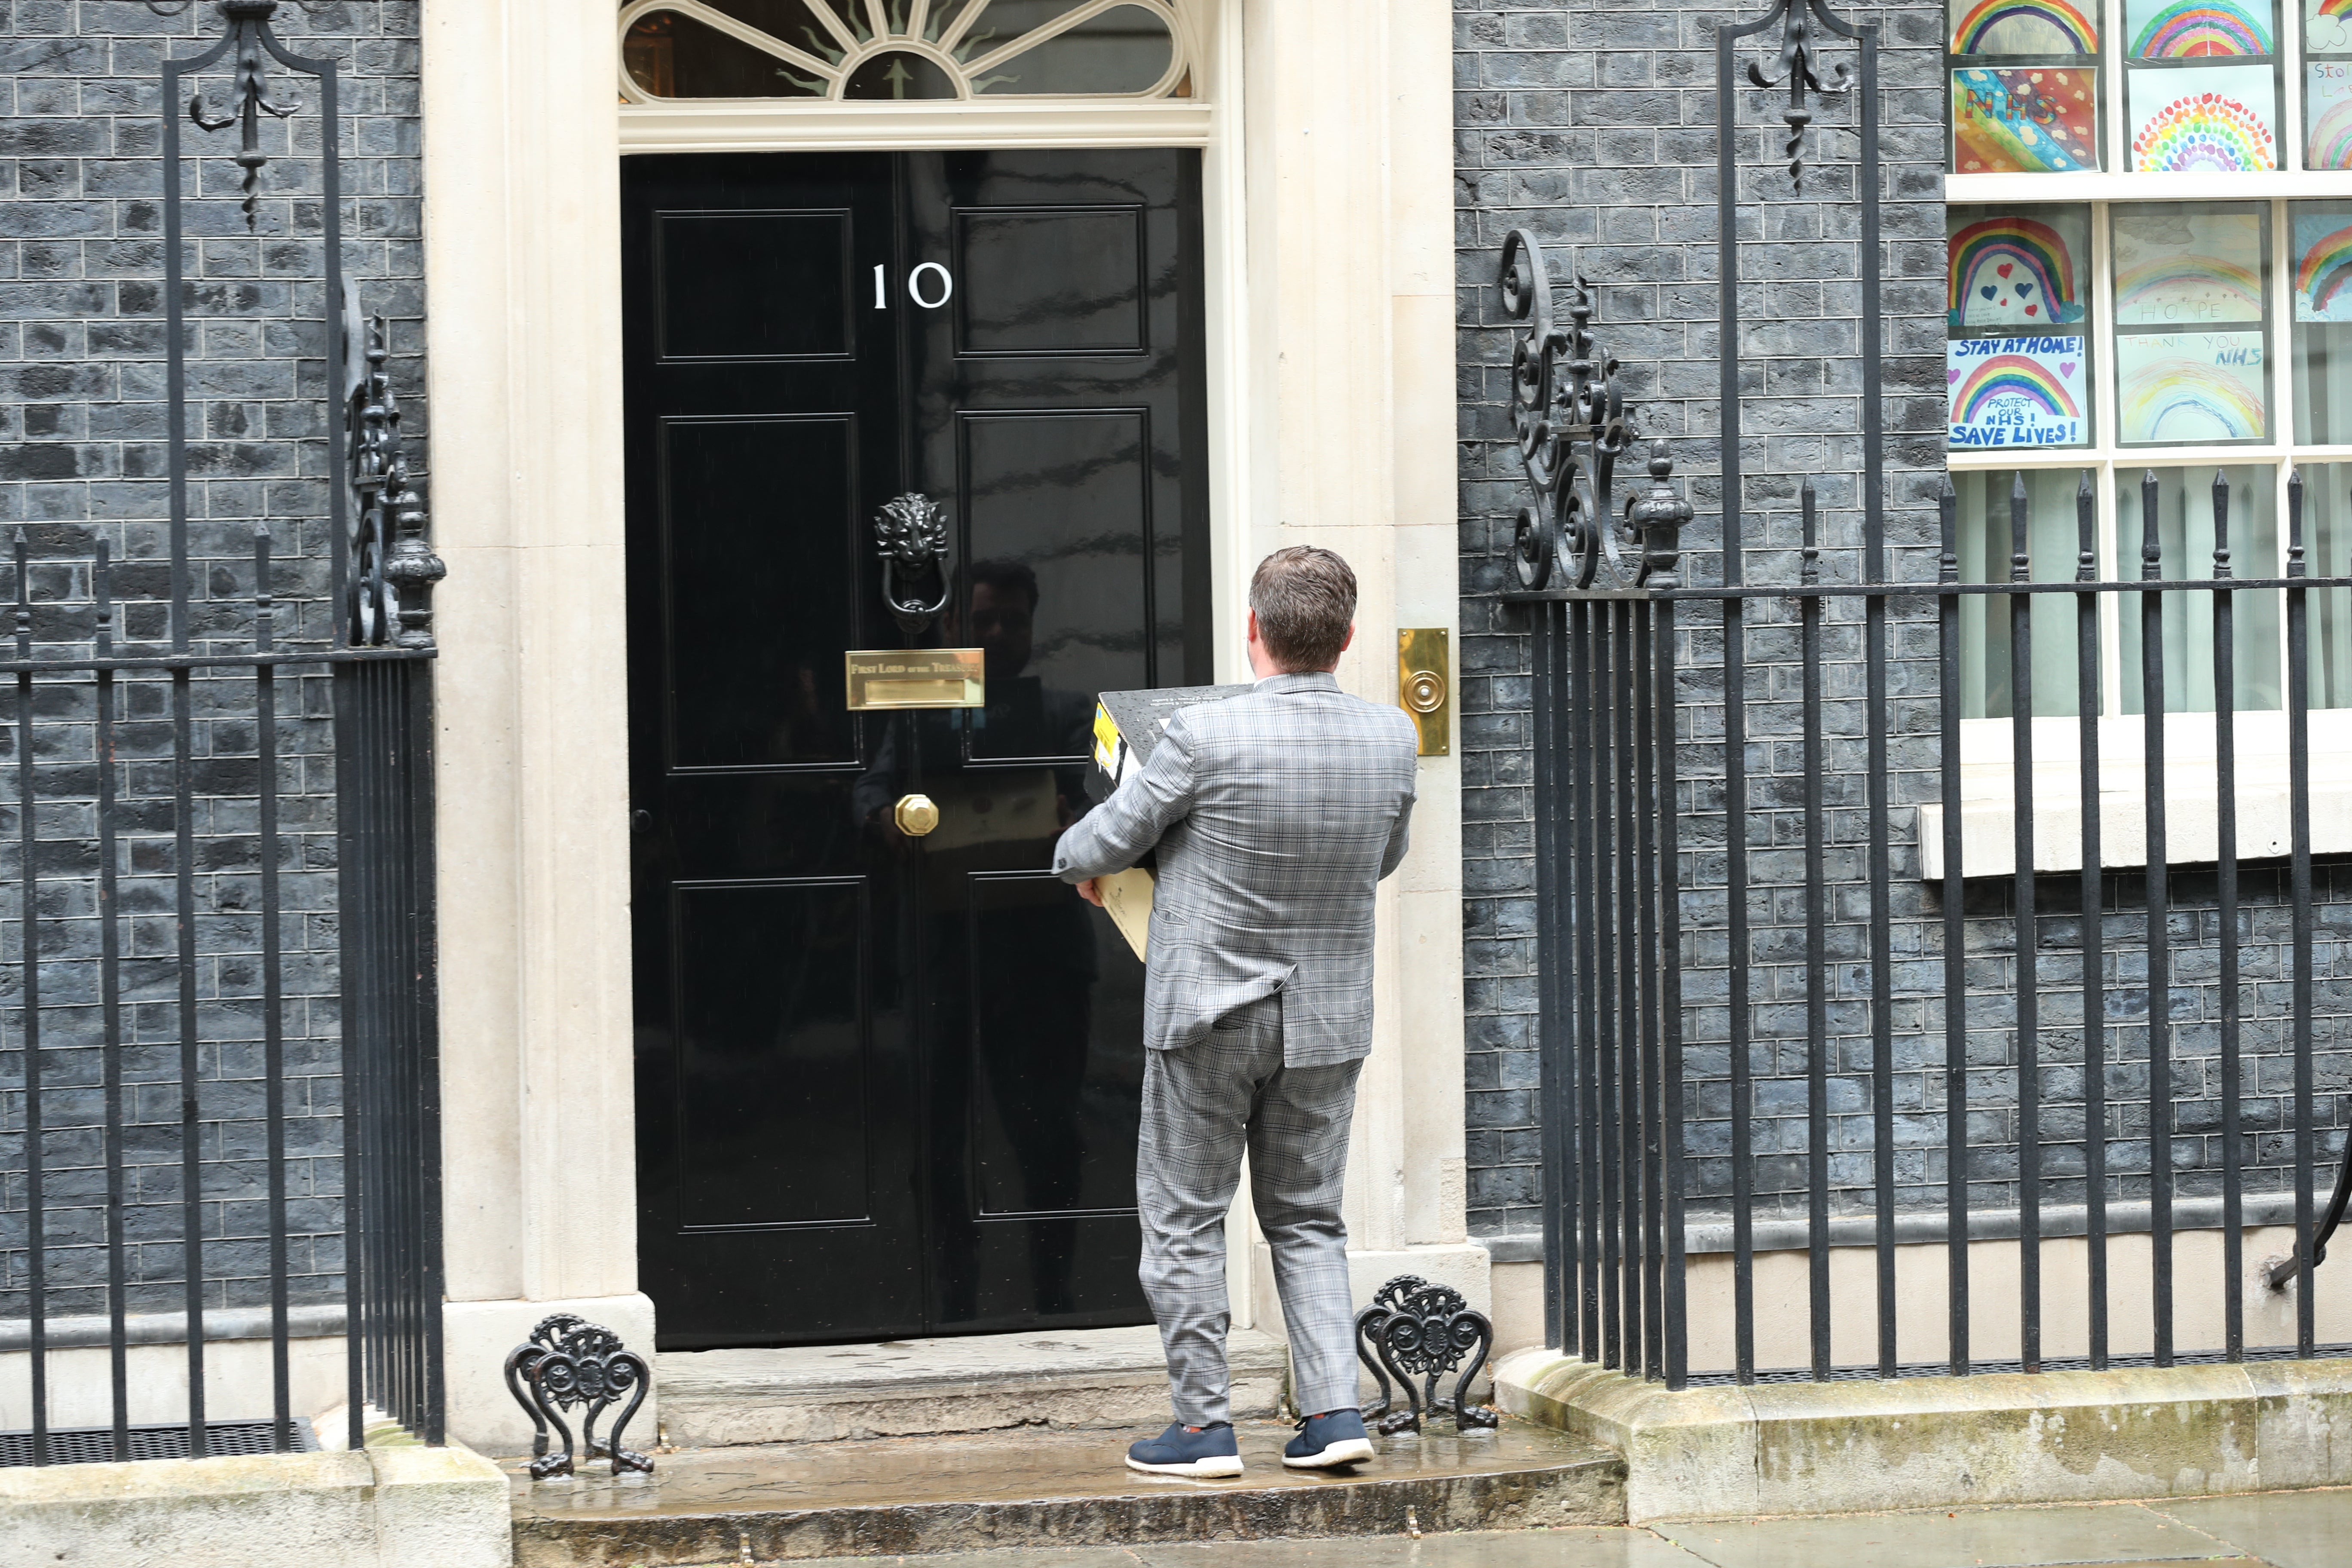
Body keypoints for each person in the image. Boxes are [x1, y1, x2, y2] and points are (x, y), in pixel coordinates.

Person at [1051, 545, 1419, 1479]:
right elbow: (1380, 861)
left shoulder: (1202, 735)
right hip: (1328, 1020)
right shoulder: (1391, 737)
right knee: (1308, 1220)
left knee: (1183, 1218)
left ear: (1253, 631)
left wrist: (1093, 864)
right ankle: (1336, 1413)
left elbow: (1100, 841)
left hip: (1209, 1015)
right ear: (1346, 636)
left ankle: (1205, 1428)